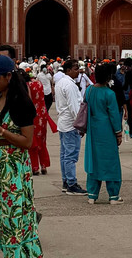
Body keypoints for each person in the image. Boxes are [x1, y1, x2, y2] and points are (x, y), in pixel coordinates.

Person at [0, 54, 42, 257]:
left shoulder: (21, 102)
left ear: (8, 76)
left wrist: (0, 131)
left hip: (13, 168)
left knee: (14, 219)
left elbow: (27, 142)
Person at [85, 61, 124, 203]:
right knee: (110, 161)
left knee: (94, 160)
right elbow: (114, 115)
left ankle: (92, 195)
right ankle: (113, 195)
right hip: (107, 130)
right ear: (108, 78)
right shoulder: (109, 93)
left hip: (93, 130)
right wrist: (118, 133)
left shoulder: (89, 91)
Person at [54, 58, 86, 195]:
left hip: (63, 122)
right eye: (75, 68)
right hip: (71, 124)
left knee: (64, 154)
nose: (78, 71)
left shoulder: (60, 82)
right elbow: (74, 107)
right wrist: (80, 125)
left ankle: (66, 181)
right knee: (71, 155)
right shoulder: (70, 85)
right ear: (68, 70)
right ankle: (71, 183)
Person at [26, 68, 52, 176]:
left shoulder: (28, 85)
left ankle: (35, 167)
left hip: (33, 115)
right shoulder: (39, 83)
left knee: (33, 141)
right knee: (42, 141)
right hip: (42, 114)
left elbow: (29, 99)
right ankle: (44, 165)